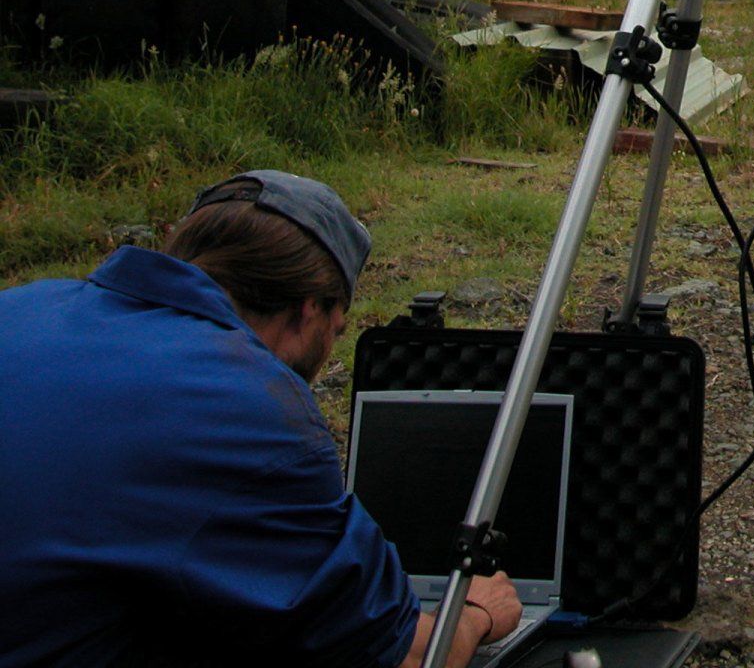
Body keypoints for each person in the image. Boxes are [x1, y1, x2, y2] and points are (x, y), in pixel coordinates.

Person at [0, 170, 522, 668]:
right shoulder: (249, 411)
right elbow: (409, 656)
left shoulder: (21, 306)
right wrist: (476, 613)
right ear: (308, 310)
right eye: (337, 330)